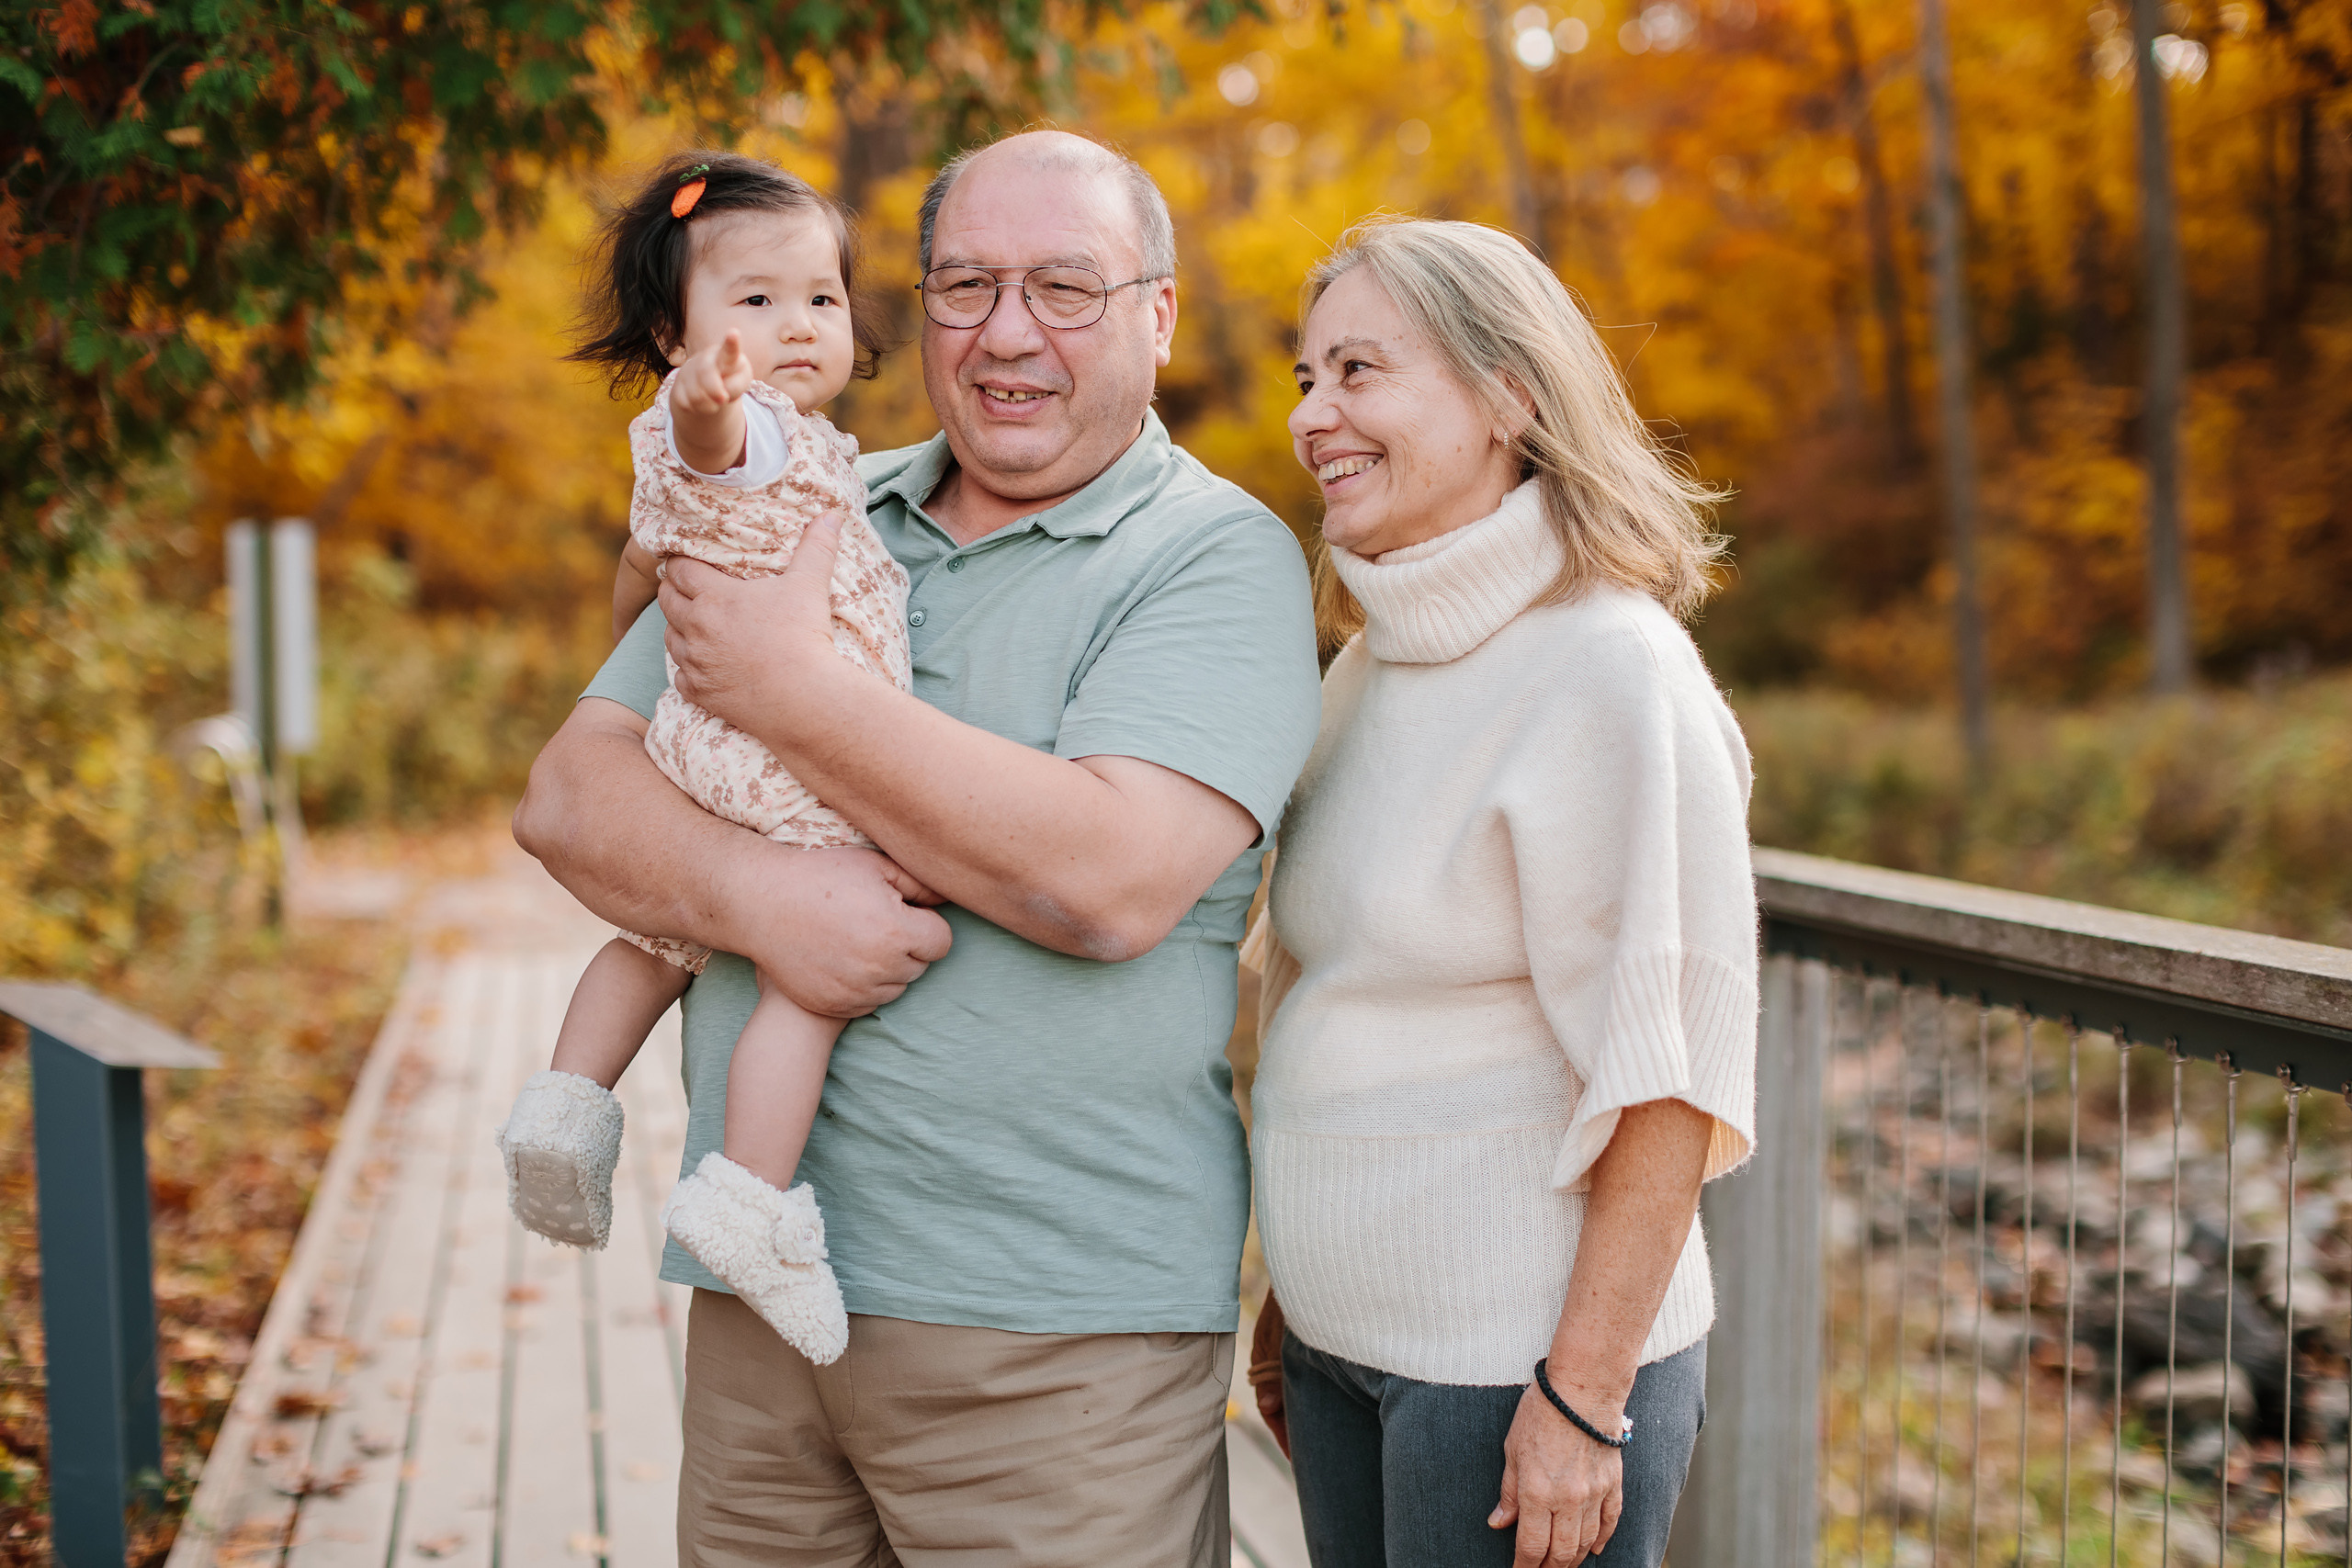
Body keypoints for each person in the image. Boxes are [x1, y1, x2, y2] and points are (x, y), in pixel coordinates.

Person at [511, 130, 1322, 1566]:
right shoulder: (809, 499)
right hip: (762, 1298)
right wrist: (768, 894)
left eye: (1067, 287)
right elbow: (574, 798)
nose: (1010, 332)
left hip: (1056, 1337)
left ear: (1159, 313)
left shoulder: (1210, 554)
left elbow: (1107, 878)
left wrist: (789, 691)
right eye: (966, 286)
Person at [1245, 216, 1759, 1568]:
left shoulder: (1611, 670)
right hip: (1345, 1351)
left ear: (1508, 396)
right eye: (1307, 378)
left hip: (1513, 1372)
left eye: (1360, 371)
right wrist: (1292, 1296)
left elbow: (1670, 1078)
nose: (1316, 415)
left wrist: (1583, 1401)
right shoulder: (1366, 672)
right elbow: (1339, 996)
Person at [495, 152, 933, 1366]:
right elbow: (711, 440)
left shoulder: (768, 444)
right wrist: (711, 400)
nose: (797, 325)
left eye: (822, 300)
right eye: (755, 301)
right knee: (817, 972)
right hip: (788, 767)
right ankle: (750, 1198)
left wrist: (640, 595)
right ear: (675, 333)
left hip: (703, 740)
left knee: (655, 943)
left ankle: (566, 1104)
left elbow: (648, 560)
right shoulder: (751, 430)